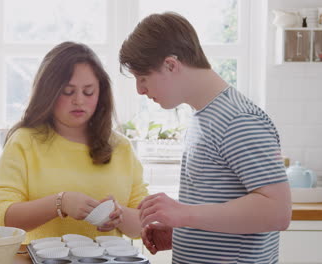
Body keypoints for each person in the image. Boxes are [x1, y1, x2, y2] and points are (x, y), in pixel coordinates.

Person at [119, 12, 291, 263]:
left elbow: (277, 211)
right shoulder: (204, 116)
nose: (140, 90)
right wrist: (183, 232)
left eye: (142, 78)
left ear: (171, 65)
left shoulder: (238, 119)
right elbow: (220, 207)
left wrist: (184, 215)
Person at [0, 41, 148, 244]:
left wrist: (119, 215)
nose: (79, 100)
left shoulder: (120, 147)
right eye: (68, 91)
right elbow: (0, 217)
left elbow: (143, 225)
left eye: (88, 92)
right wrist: (59, 203)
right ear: (49, 92)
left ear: (101, 93)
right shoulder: (24, 142)